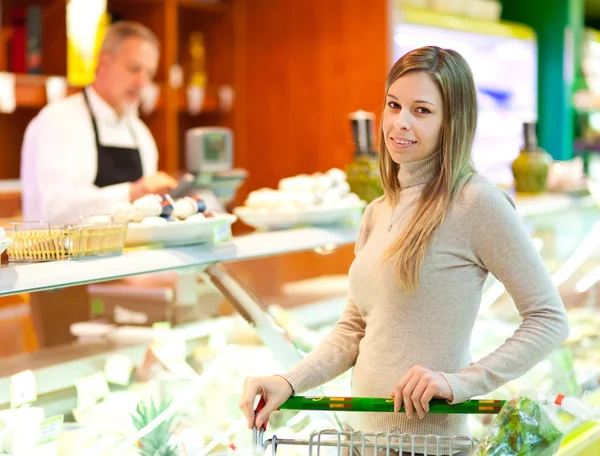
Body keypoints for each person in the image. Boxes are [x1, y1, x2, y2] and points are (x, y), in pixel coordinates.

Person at [240, 46, 570, 454]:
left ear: (453, 121)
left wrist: (461, 382)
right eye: (394, 105)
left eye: (422, 110)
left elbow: (549, 320)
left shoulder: (475, 202)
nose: (400, 122)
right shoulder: (378, 210)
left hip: (428, 446)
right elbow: (353, 331)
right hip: (361, 442)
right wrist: (288, 381)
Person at [20, 20, 177, 225]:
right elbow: (55, 210)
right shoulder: (57, 121)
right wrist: (131, 193)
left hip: (131, 256)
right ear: (103, 63)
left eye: (149, 73)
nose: (142, 83)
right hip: (61, 255)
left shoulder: (140, 133)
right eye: (134, 69)